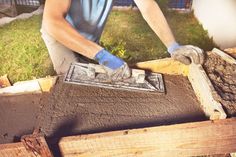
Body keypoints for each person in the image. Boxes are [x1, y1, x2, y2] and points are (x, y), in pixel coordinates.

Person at [41, 0, 204, 81]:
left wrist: (173, 45)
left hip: (89, 37)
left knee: (96, 76)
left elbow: (147, 6)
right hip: (60, 34)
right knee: (74, 82)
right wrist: (101, 55)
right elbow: (53, 21)